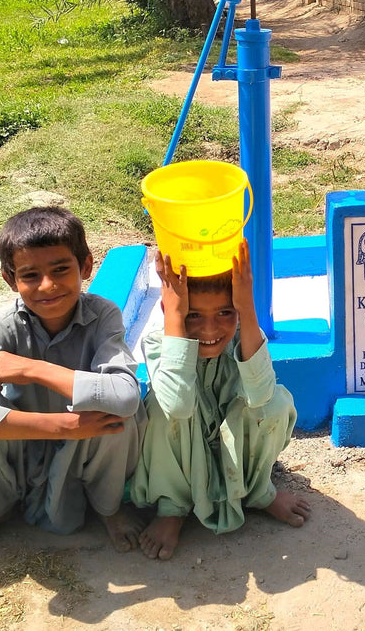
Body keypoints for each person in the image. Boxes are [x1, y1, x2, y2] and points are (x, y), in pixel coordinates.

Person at [0, 207, 146, 562]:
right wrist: (63, 426)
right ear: (10, 279)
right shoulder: (0, 328)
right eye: (30, 275)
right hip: (25, 447)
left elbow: (126, 396)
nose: (47, 286)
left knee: (122, 414)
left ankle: (107, 506)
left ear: (86, 266)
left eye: (60, 270)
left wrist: (35, 370)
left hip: (85, 450)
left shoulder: (103, 315)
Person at [130, 240, 311, 560]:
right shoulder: (161, 340)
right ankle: (172, 507)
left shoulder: (244, 337)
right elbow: (177, 406)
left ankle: (259, 493)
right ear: (170, 310)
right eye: (193, 315)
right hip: (184, 453)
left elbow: (262, 396)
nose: (209, 329)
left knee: (274, 404)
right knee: (161, 408)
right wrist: (175, 315)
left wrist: (247, 311)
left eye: (225, 312)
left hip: (233, 451)